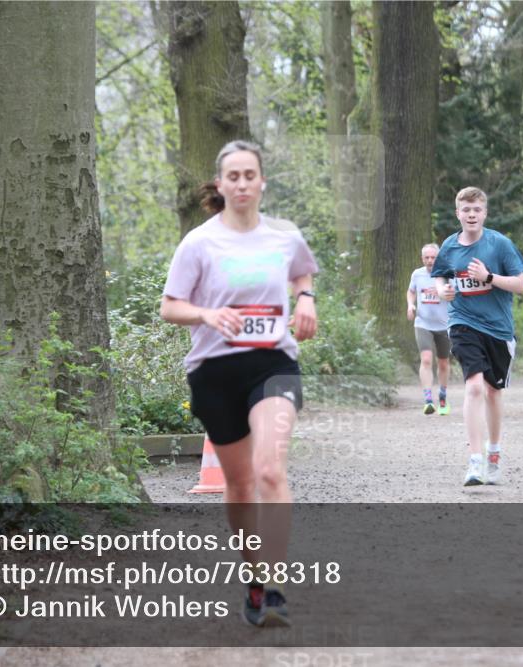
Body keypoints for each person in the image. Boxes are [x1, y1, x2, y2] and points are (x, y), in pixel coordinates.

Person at [160, 140, 318, 627]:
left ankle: (275, 588)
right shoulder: (199, 243)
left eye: (250, 175)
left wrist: (306, 299)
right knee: (241, 483)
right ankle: (253, 578)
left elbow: (303, 272)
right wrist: (207, 314)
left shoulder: (284, 235)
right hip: (214, 369)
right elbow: (169, 306)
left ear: (262, 182)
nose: (243, 183)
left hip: (273, 363)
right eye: (234, 176)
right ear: (221, 184)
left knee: (269, 470)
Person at [431, 187, 523, 486]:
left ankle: (493, 452)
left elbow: (521, 285)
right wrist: (442, 290)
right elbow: (440, 275)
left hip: (498, 329)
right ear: (457, 213)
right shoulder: (449, 246)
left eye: (476, 210)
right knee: (473, 387)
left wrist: (488, 277)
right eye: (466, 210)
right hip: (463, 323)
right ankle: (475, 460)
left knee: (493, 392)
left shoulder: (500, 244)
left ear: (484, 213)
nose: (471, 215)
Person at [407, 243, 452, 415]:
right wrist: (410, 305)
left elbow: (455, 294)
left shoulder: (447, 274)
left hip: (444, 325)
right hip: (423, 323)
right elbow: (411, 291)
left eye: (433, 257)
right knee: (426, 359)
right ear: (422, 258)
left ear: (438, 258)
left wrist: (448, 292)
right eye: (427, 257)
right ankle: (428, 400)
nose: (430, 260)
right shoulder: (417, 274)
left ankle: (443, 396)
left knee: (443, 362)